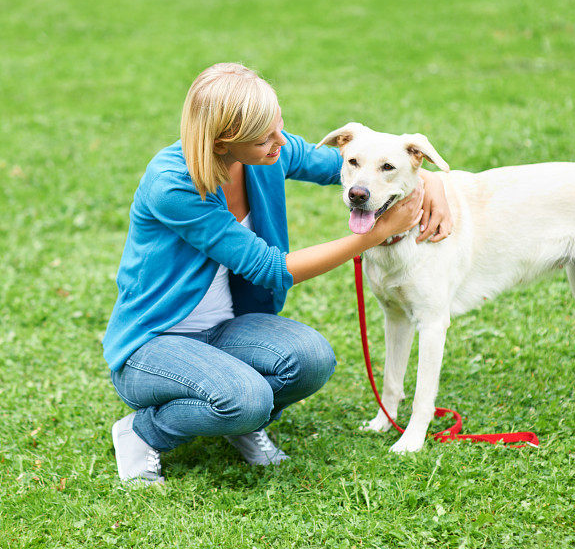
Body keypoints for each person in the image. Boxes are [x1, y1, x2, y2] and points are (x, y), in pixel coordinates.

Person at [104, 63, 453, 483]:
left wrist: (427, 180)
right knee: (247, 400)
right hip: (154, 344)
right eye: (264, 138)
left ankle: (234, 418)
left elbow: (351, 163)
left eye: (278, 126)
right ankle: (144, 432)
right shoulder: (174, 185)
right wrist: (373, 236)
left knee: (312, 360)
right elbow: (269, 268)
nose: (280, 143)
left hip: (225, 331)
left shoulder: (268, 151)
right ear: (222, 143)